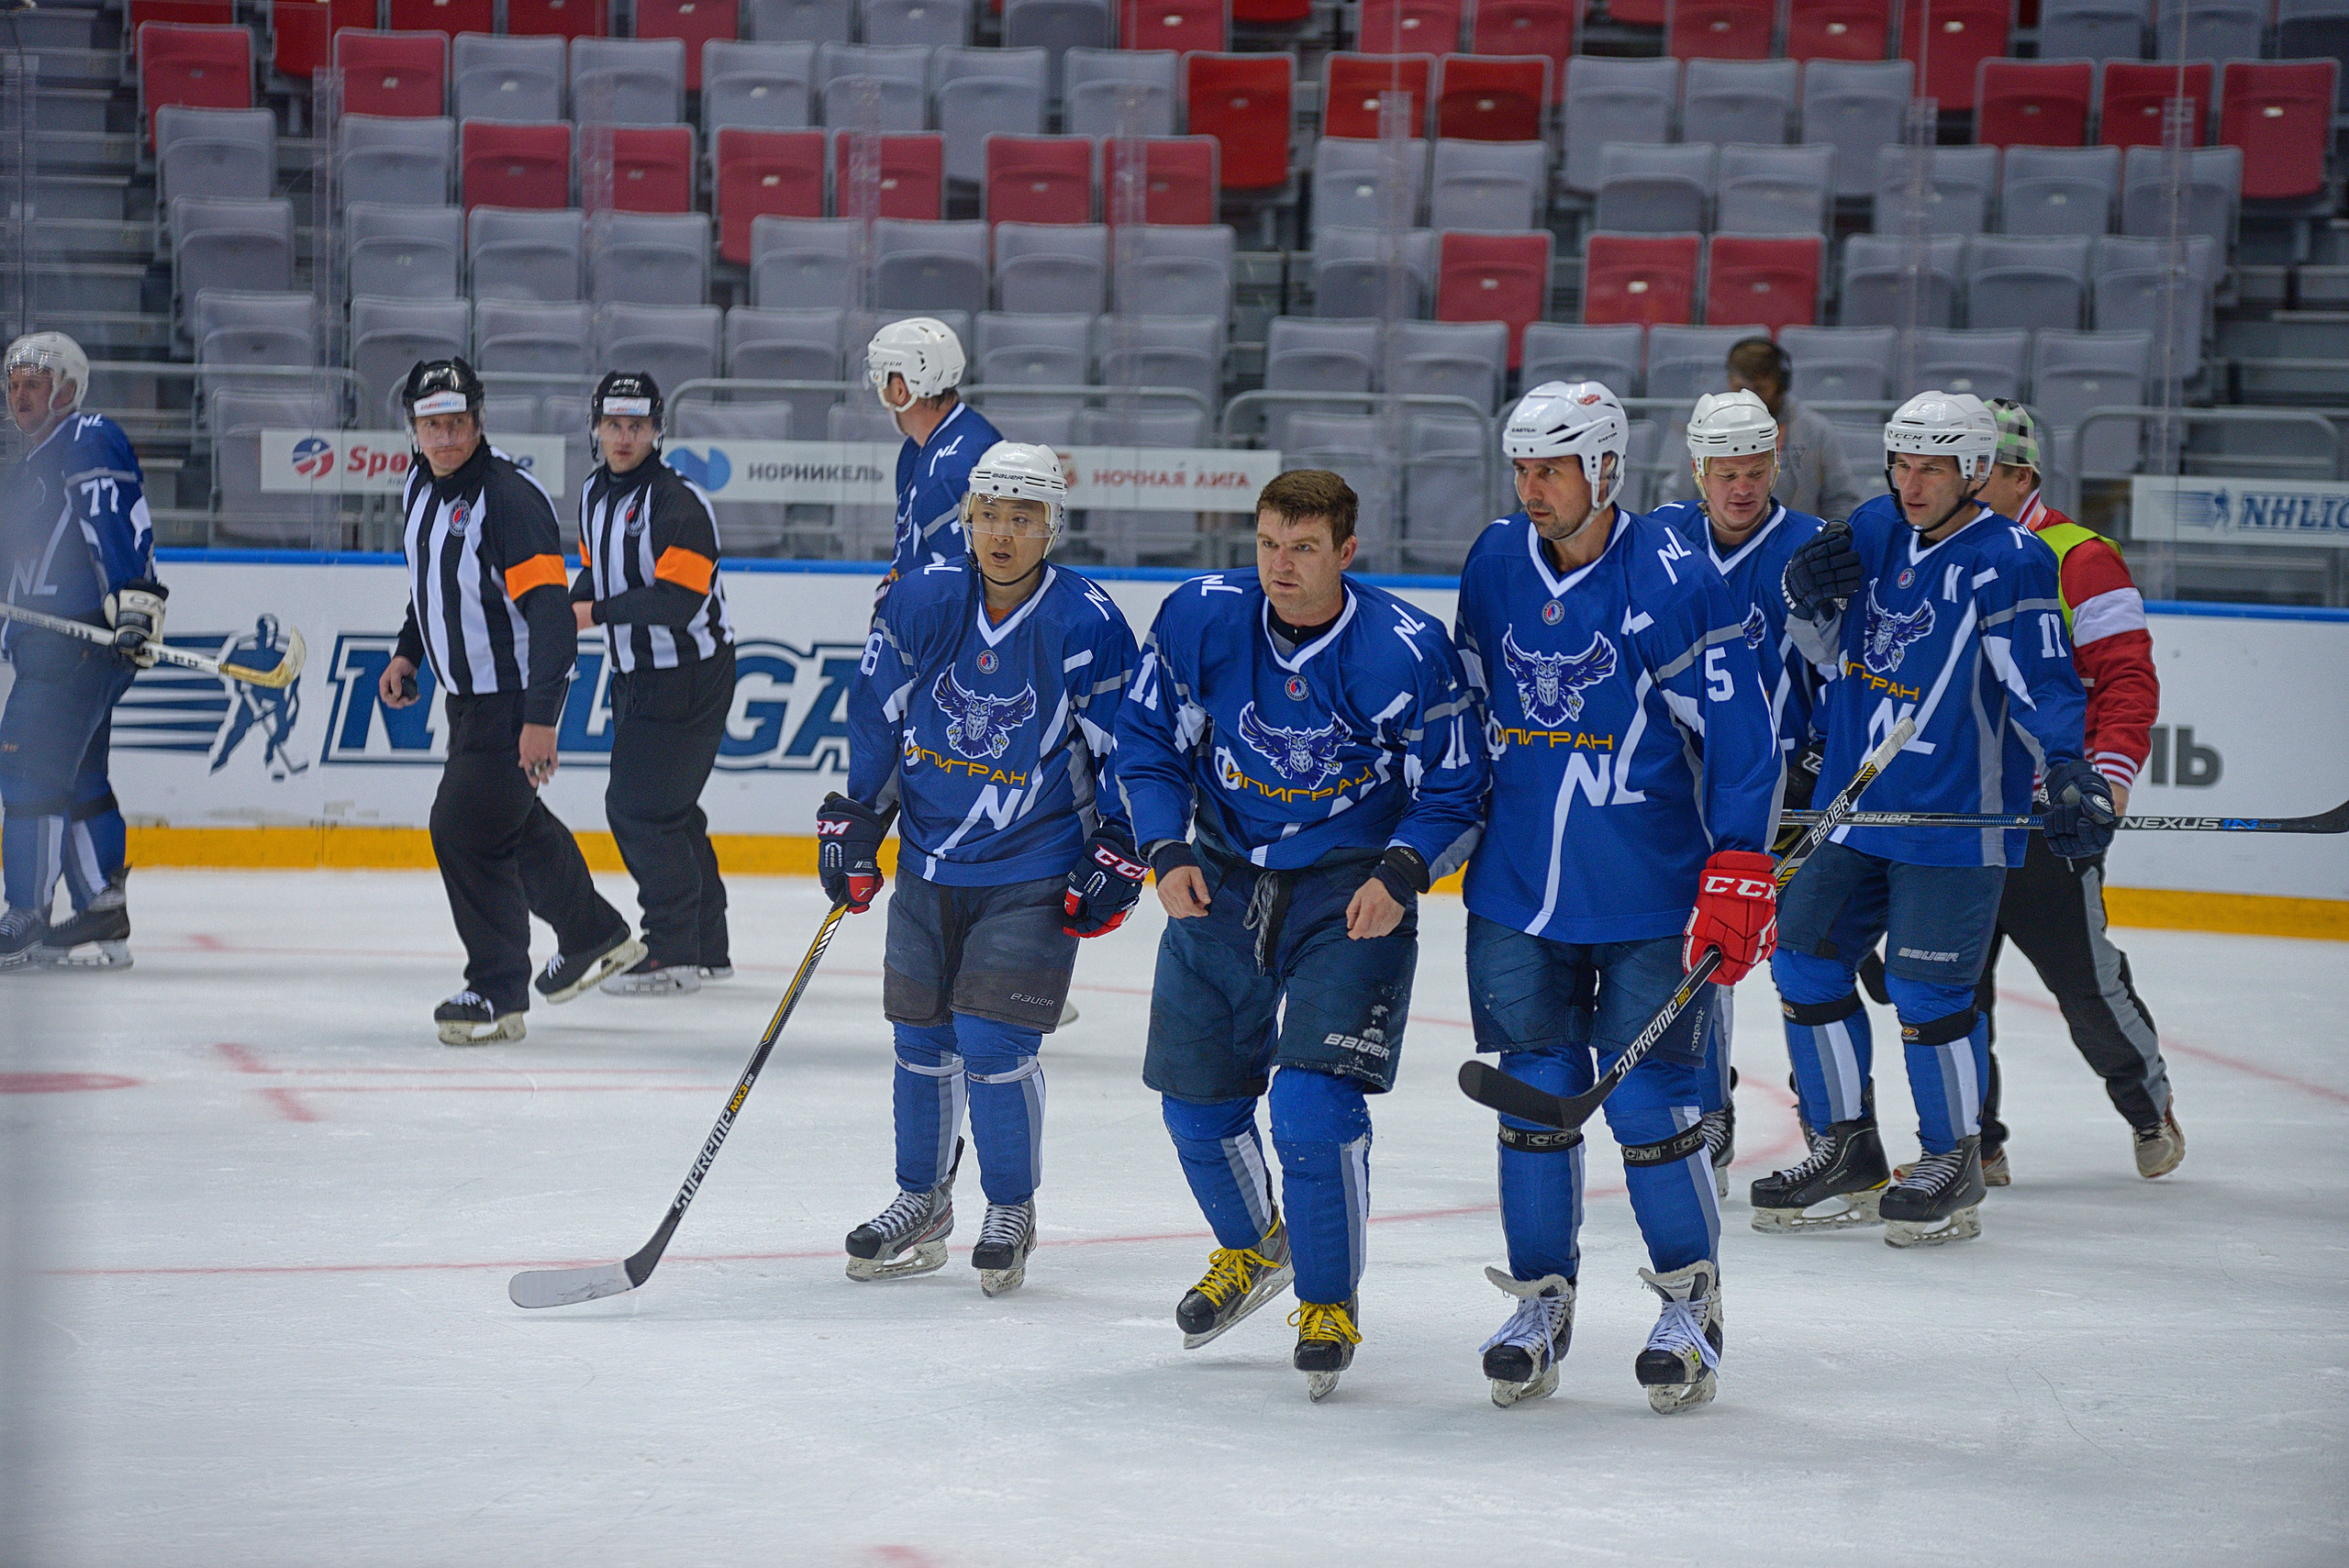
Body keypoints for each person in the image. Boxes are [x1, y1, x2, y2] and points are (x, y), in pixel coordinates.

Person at [1117, 469, 1487, 1401]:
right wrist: (1164, 848)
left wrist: (1403, 870)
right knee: (1194, 1106)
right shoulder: (1199, 616)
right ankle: (1254, 1247)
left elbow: (1455, 783)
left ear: (1345, 551)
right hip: (1220, 870)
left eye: (1304, 548)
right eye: (1268, 543)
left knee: (1313, 1111)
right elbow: (1148, 740)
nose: (1281, 565)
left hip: (1347, 887)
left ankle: (1327, 1299)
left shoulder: (1404, 649)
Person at [1454, 382, 1780, 1416]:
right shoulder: (1497, 559)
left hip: (1646, 900)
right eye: (1521, 468)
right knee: (1536, 1098)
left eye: (1550, 468)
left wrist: (1739, 862)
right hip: (1514, 892)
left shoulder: (1677, 579)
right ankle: (1541, 1298)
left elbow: (1743, 737)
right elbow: (1464, 707)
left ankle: (1690, 1297)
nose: (1530, 488)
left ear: (1603, 469)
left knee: (1647, 1104)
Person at [1754, 391, 2114, 1248]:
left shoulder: (2013, 559)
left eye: (1934, 468)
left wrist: (2069, 767)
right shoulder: (1873, 529)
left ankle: (1950, 1157)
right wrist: (1804, 602)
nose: (1912, 484)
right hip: (1853, 807)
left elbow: (2044, 681)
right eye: (1903, 463)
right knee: (1803, 960)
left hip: (1954, 820)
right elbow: (1829, 653)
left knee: (1926, 990)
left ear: (1977, 472)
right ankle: (1843, 1146)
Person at [824, 441, 1141, 1297]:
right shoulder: (924, 598)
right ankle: (921, 1199)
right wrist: (857, 814)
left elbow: (1125, 748)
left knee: (997, 1042)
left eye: (1024, 516)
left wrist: (1121, 844)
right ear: (968, 517)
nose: (1004, 532)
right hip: (931, 856)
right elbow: (878, 715)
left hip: (1033, 864)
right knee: (920, 1038)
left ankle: (1011, 1205)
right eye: (990, 513)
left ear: (1053, 526)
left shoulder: (1088, 622)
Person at [378, 358, 642, 1045]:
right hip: (467, 699)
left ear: (479, 421)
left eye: (457, 423)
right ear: (413, 427)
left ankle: (497, 993)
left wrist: (539, 720)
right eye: (431, 425)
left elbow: (553, 618)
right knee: (511, 826)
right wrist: (409, 650)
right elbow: (428, 582)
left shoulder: (507, 500)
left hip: (511, 699)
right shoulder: (417, 483)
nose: (445, 438)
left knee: (462, 828)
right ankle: (595, 932)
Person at [1964, 400, 2181, 1179]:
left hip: (2042, 815)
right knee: (1947, 985)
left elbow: (2125, 677)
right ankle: (1975, 1139)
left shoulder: (2080, 556)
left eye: (1977, 467)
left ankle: (2147, 1107)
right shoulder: (1936, 550)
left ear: (2021, 473)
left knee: (2085, 981)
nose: (1957, 481)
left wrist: (2106, 777)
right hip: (1953, 812)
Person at [1649, 390, 1831, 1196]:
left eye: (1755, 469)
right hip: (1673, 784)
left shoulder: (1812, 548)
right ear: (1699, 468)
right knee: (1701, 943)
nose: (1741, 487)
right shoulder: (1658, 541)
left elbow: (1842, 666)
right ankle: (1705, 1099)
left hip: (1779, 786)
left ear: (1775, 462)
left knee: (1808, 960)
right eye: (1725, 472)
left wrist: (1828, 743)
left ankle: (1836, 1128)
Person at [569, 371, 737, 996]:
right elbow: (592, 576)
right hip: (636, 675)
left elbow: (678, 601)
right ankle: (706, 945)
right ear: (595, 427)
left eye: (636, 425)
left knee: (639, 811)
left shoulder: (679, 504)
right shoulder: (593, 494)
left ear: (657, 431)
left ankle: (670, 950)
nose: (623, 436)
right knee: (670, 810)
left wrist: (594, 613)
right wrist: (559, 612)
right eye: (613, 423)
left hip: (689, 675)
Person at [0, 331, 163, 969]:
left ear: (67, 388)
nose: (20, 396)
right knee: (79, 775)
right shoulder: (34, 460)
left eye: (33, 384)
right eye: (13, 385)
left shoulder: (84, 435)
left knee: (26, 770)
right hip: (59, 643)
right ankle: (101, 907)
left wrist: (134, 601)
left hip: (73, 641)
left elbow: (111, 519)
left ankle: (26, 916)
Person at [866, 317, 1001, 602]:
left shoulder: (950, 473)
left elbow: (976, 589)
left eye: (882, 380)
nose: (882, 394)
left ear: (900, 390)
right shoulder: (918, 449)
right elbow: (912, 550)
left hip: (938, 638)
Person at [1657, 338, 1864, 523]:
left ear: (1781, 386)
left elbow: (1842, 501)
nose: (1749, 396)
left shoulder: (1815, 429)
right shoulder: (1707, 427)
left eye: (1759, 388)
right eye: (1740, 387)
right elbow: (1675, 496)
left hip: (1799, 552)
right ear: (1729, 381)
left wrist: (1826, 541)